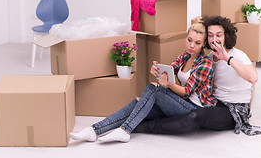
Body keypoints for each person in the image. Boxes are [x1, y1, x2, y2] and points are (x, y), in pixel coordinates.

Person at [70, 17, 216, 143]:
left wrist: (168, 83)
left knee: (154, 89)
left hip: (195, 109)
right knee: (138, 102)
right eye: (189, 40)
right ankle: (94, 130)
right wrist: (158, 70)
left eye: (197, 43)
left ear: (204, 44)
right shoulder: (185, 56)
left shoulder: (205, 64)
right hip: (181, 103)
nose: (191, 45)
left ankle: (125, 130)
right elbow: (169, 70)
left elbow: (185, 92)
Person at [133, 15, 261, 136]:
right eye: (210, 35)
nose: (214, 39)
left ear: (226, 35)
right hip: (214, 104)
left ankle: (148, 127)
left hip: (234, 110)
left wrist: (227, 58)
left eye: (219, 35)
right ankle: (137, 119)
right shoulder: (209, 57)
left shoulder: (238, 55)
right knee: (172, 103)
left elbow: (253, 78)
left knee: (196, 116)